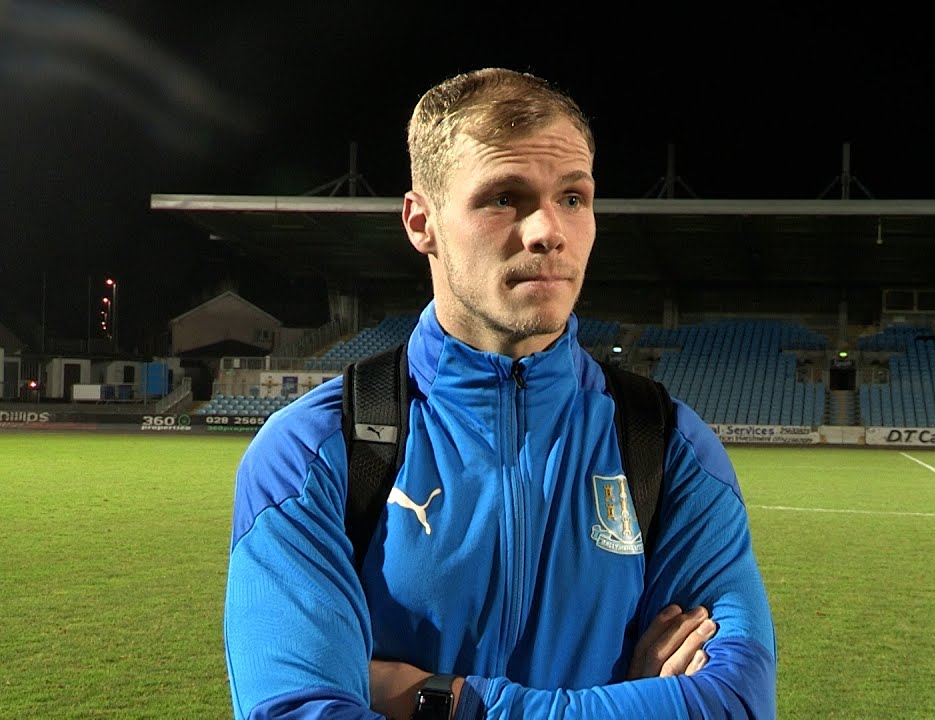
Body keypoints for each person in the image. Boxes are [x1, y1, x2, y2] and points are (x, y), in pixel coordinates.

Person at [223, 67, 777, 719]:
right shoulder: (313, 454)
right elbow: (295, 711)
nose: (548, 230)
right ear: (421, 222)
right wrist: (636, 701)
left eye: (573, 197)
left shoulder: (670, 447)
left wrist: (446, 700)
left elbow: (735, 704)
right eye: (504, 198)